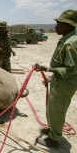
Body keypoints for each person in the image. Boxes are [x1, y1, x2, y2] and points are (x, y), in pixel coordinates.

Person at [35, 9, 77, 148]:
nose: (55, 26)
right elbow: (63, 64)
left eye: (59, 24)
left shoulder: (70, 44)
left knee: (57, 110)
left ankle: (53, 140)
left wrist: (46, 69)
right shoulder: (67, 39)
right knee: (52, 108)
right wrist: (51, 78)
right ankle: (53, 130)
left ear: (68, 25)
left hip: (64, 84)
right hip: (60, 81)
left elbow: (71, 69)